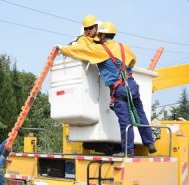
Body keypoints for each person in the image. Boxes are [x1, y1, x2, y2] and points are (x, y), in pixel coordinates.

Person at [58, 22, 156, 156]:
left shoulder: (101, 50)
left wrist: (63, 49)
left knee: (125, 121)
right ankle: (149, 143)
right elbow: (133, 60)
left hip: (119, 88)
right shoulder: (124, 47)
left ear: (102, 35)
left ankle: (128, 151)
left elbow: (82, 51)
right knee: (140, 115)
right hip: (132, 85)